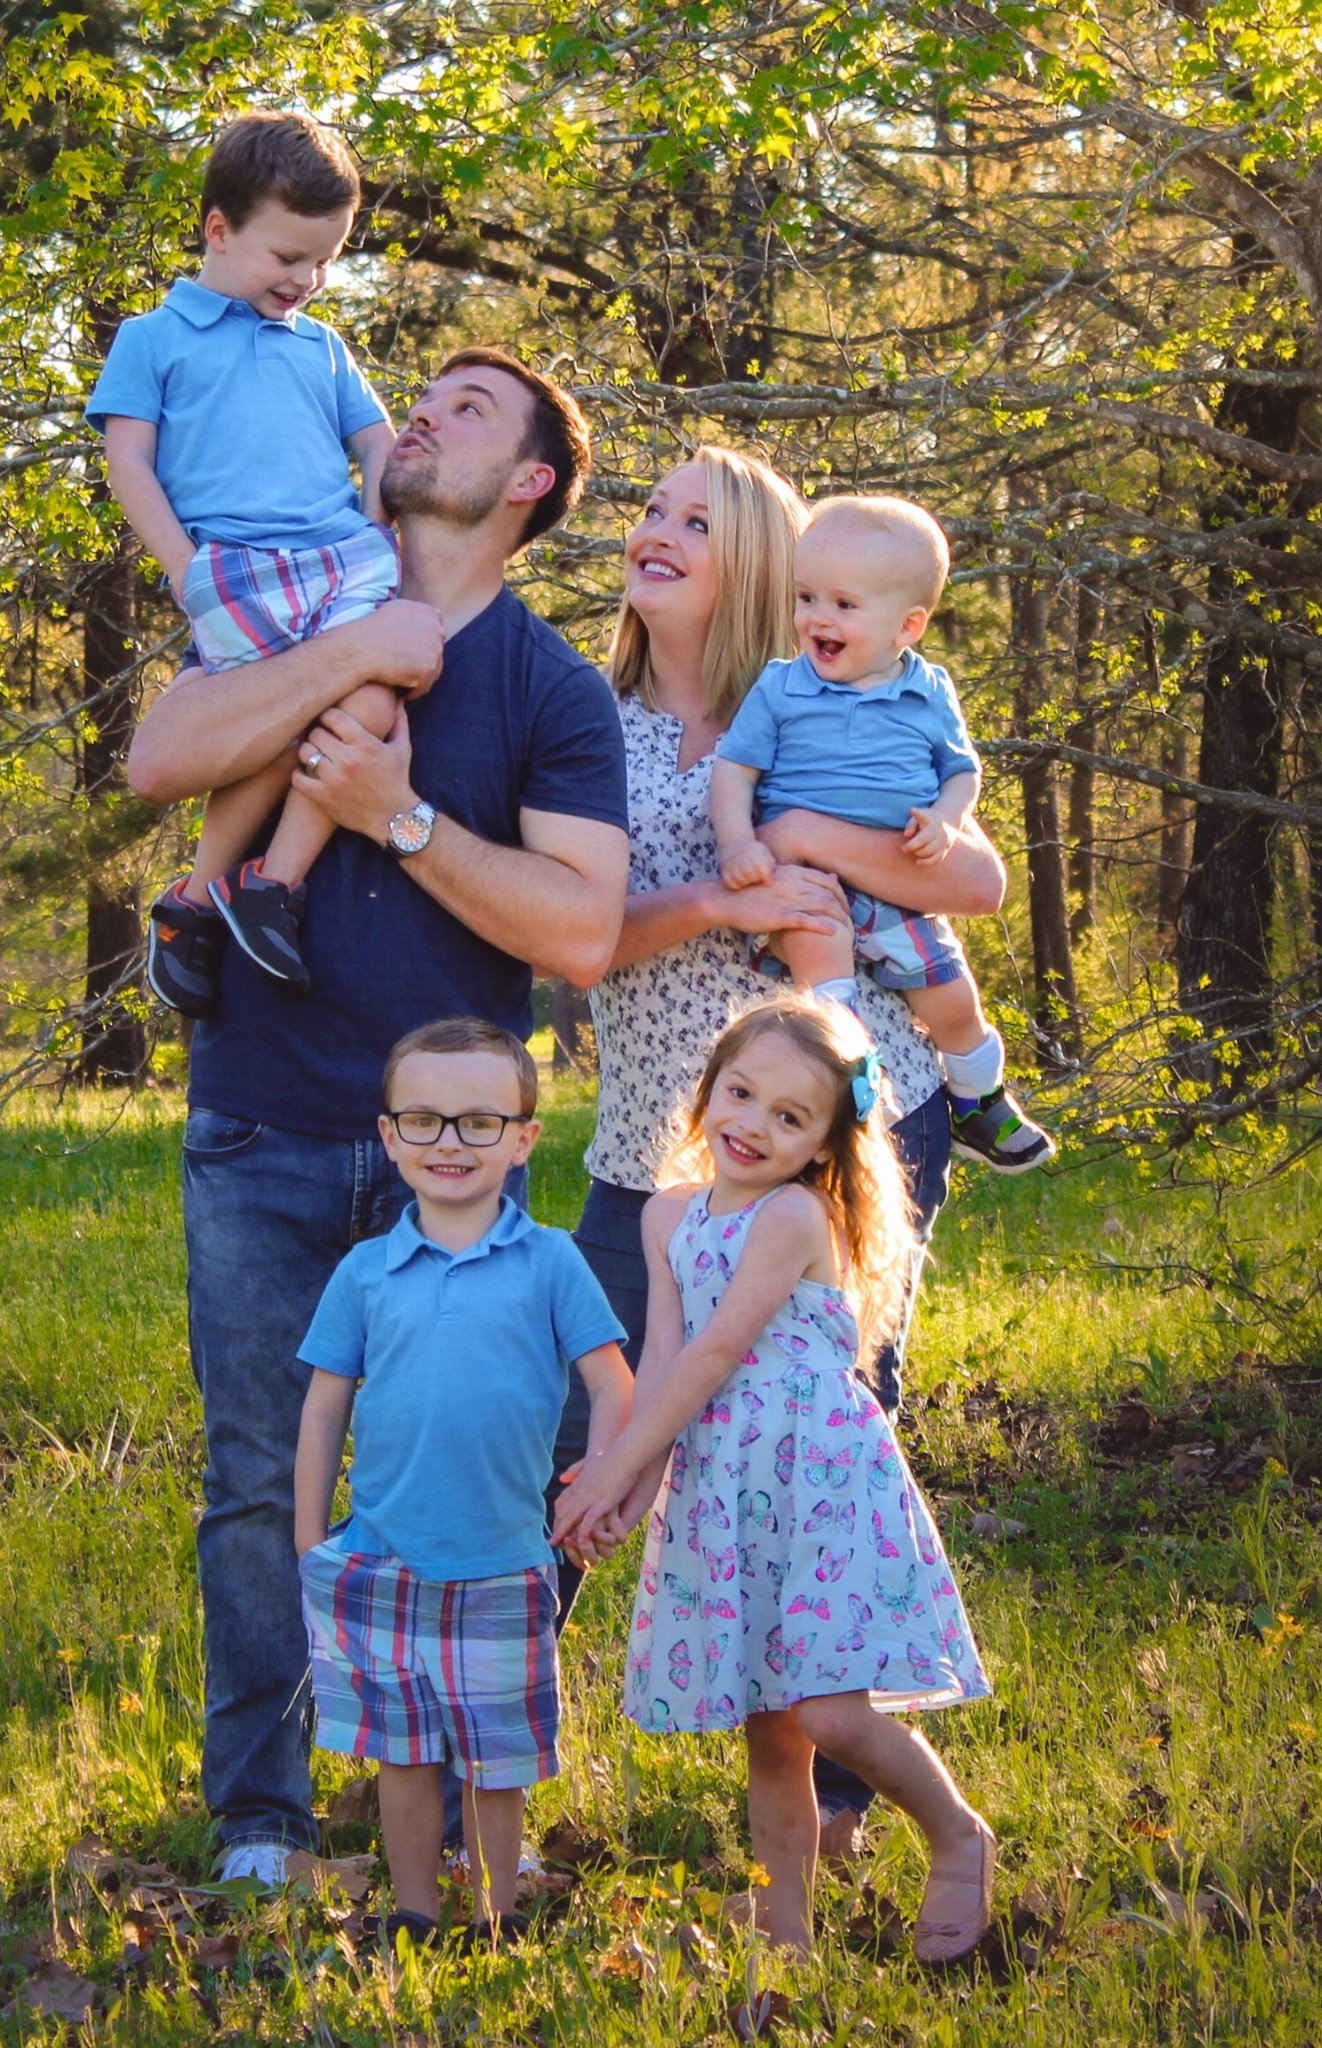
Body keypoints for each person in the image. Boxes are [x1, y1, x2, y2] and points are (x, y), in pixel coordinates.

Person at [125, 347, 628, 1888]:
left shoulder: (550, 689)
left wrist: (392, 819)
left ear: (529, 483)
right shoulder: (293, 602)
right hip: (261, 1124)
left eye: (470, 410)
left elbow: (581, 932)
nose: (421, 412)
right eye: (424, 396)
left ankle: (464, 1793)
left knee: (480, 1473)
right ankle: (265, 1814)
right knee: (258, 1473)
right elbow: (162, 759)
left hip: (455, 1163)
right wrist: (351, 658)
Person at [571, 447, 1007, 1854]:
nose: (655, 533)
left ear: (757, 557)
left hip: (842, 1132)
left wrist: (815, 833)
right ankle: (472, 1751)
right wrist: (710, 895)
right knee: (589, 1431)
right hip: (652, 1138)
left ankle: (838, 1791)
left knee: (826, 1442)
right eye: (648, 509)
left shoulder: (830, 700)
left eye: (695, 519)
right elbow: (568, 933)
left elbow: (979, 878)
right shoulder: (589, 720)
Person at [554, 998, 995, 1962]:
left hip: (819, 1480)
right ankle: (785, 1938)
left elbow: (718, 1353)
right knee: (769, 1730)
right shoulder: (669, 1214)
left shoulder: (796, 1215)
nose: (752, 1125)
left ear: (826, 1143)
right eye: (740, 1094)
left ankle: (957, 1833)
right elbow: (664, 1360)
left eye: (789, 1117)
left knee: (827, 1709)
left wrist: (617, 1470)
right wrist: (622, 1492)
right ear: (707, 1088)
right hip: (722, 1487)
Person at [293, 1019, 633, 1945]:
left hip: (505, 1562)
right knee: (400, 1759)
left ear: (524, 1137)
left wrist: (598, 1482)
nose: (450, 1142)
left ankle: (493, 1917)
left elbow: (613, 1385)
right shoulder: (366, 1274)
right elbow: (323, 1409)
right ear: (389, 1134)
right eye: (426, 1121)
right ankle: (412, 1913)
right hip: (382, 1560)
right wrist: (306, 1539)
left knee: (496, 1762)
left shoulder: (553, 1262)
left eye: (479, 1122)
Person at [87, 109, 405, 998]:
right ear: (218, 231)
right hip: (235, 570)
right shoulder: (153, 339)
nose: (306, 280)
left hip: (342, 560)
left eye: (325, 262)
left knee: (373, 699)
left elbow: (378, 446)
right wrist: (187, 572)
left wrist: (376, 530)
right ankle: (193, 900)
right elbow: (129, 463)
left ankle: (271, 887)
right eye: (287, 258)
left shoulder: (323, 347)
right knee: (274, 725)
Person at [712, 494, 1055, 1172]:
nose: (817, 618)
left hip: (896, 880)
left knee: (953, 999)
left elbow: (962, 771)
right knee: (826, 982)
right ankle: (851, 1097)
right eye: (807, 597)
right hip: (806, 882)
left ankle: (978, 1101)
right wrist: (737, 843)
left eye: (844, 604)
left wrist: (949, 819)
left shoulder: (927, 693)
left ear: (909, 624)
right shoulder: (782, 688)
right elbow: (734, 772)